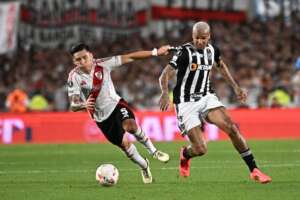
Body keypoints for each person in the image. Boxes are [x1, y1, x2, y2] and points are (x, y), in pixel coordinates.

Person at [159, 21, 272, 184]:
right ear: (192, 36)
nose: (199, 41)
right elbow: (165, 74)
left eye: (203, 38)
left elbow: (221, 65)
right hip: (185, 102)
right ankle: (185, 154)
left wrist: (236, 87)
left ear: (209, 37)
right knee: (200, 149)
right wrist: (164, 93)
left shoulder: (212, 50)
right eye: (196, 38)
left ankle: (254, 169)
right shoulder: (184, 52)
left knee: (232, 128)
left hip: (207, 97)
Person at [67, 43, 170, 184]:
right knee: (125, 146)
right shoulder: (74, 77)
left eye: (85, 57)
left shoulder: (103, 64)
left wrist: (156, 52)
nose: (83, 61)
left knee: (131, 125)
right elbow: (73, 104)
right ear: (74, 62)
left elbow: (130, 57)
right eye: (78, 60)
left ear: (91, 55)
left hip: (116, 105)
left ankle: (154, 151)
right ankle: (144, 166)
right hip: (102, 118)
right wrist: (83, 105)